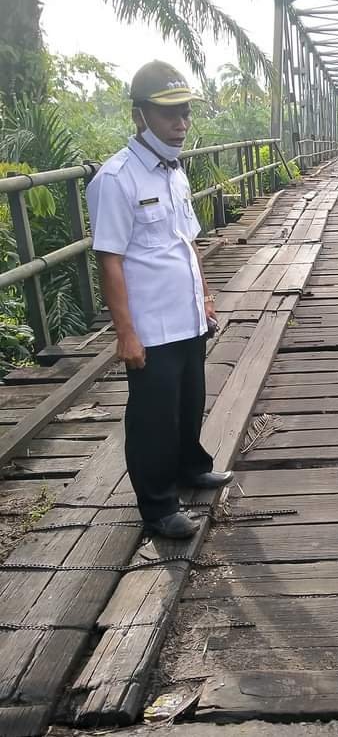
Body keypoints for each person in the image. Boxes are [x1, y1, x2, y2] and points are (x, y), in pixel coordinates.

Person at [86, 61, 233, 539]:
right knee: (152, 415)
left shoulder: (174, 172)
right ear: (139, 116)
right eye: (169, 113)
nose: (181, 123)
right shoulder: (116, 179)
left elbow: (186, 241)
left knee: (190, 400)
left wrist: (206, 296)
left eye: (186, 113)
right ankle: (157, 506)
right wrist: (125, 332)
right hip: (149, 324)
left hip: (187, 313)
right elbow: (109, 260)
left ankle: (191, 468)